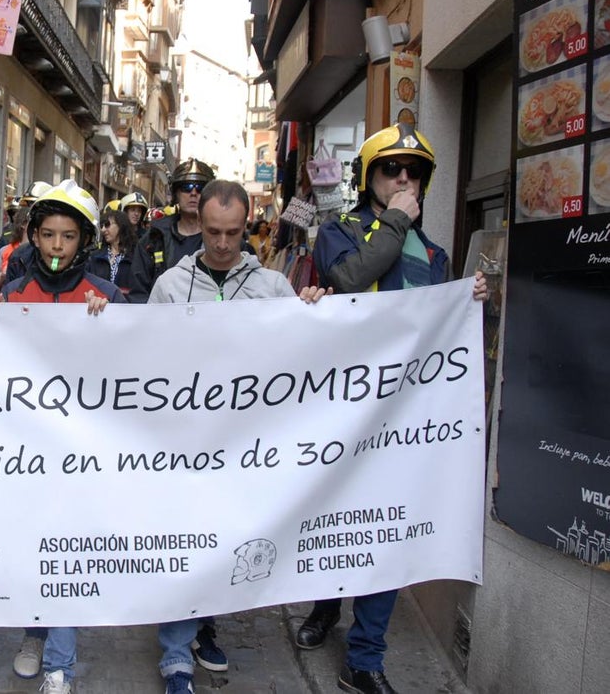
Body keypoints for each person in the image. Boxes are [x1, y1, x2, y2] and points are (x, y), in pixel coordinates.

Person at [298, 123, 488, 694]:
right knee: (337, 517)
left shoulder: (433, 253)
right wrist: (397, 218)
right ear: (369, 178)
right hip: (344, 412)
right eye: (391, 169)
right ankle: (325, 605)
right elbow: (351, 278)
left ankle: (366, 656)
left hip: (405, 420)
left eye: (414, 172)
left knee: (385, 532)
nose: (404, 179)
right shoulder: (338, 232)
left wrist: (468, 300)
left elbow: (442, 334)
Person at [148, 179, 328, 693]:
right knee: (183, 541)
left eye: (233, 232)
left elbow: (302, 354)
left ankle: (204, 624)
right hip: (184, 446)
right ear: (197, 225)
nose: (223, 243)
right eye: (212, 232)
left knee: (220, 544)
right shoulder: (168, 287)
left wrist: (314, 308)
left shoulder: (274, 287)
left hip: (246, 452)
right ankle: (176, 657)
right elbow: (142, 364)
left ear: (247, 225)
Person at [0, 180, 123, 694]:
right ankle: (33, 634)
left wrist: (113, 322)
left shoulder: (104, 295)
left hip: (82, 453)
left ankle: (60, 659)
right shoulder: (14, 295)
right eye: (48, 236)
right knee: (33, 543)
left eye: (67, 237)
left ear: (83, 241)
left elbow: (133, 365)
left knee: (66, 545)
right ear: (33, 238)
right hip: (27, 451)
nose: (57, 247)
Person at [128, 158, 216, 303]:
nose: (193, 193)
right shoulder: (153, 240)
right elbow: (138, 294)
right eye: (186, 187)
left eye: (200, 187)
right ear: (176, 193)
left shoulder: (221, 238)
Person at [87, 207, 136, 296]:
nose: (103, 229)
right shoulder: (95, 257)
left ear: (121, 225)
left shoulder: (136, 256)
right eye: (101, 226)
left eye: (107, 224)